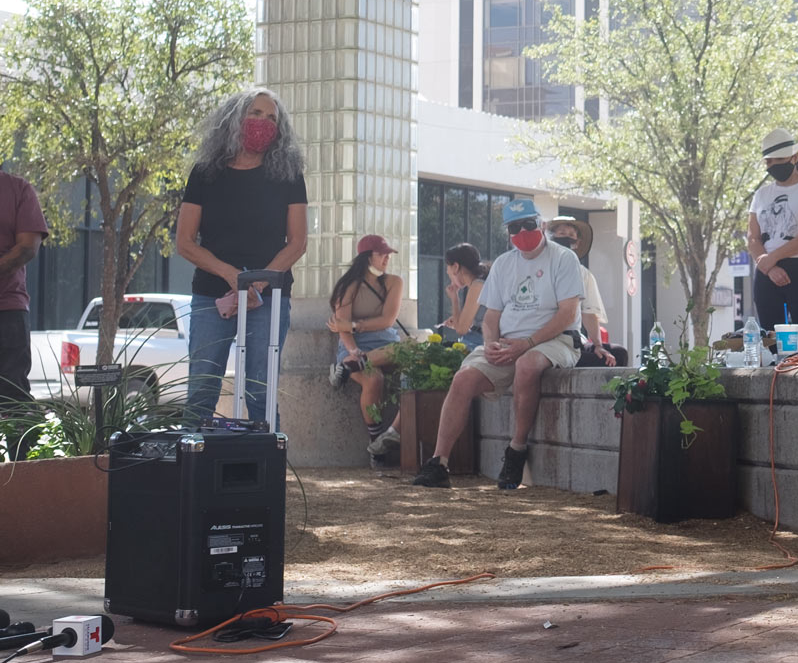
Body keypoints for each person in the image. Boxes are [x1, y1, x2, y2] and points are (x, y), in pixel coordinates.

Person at [412, 200, 582, 491]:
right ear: (508, 233)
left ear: (541, 225)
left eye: (529, 224)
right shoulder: (504, 264)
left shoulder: (564, 258)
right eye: (515, 227)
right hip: (506, 342)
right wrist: (491, 343)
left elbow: (567, 313)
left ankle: (515, 451)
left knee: (527, 365)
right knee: (463, 378)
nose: (523, 231)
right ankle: (438, 463)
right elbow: (491, 317)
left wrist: (527, 343)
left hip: (556, 340)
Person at [174, 88, 309, 423]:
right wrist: (231, 275)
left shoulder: (288, 175)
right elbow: (185, 242)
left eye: (271, 118)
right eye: (255, 113)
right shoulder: (205, 173)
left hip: (269, 296)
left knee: (260, 390)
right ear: (234, 118)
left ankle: (268, 470)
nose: (263, 122)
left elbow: (298, 242)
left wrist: (257, 281)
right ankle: (193, 469)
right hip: (211, 295)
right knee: (202, 387)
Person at [746, 128, 798, 352]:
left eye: (780, 159)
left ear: (795, 157)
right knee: (770, 343)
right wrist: (768, 266)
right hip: (766, 272)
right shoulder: (761, 195)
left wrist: (771, 258)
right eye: (769, 161)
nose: (774, 165)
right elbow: (752, 237)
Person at [325, 235, 406, 459]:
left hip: (387, 346)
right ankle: (377, 445)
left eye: (388, 254)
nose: (387, 258)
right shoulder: (348, 286)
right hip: (355, 349)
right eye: (382, 254)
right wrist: (352, 350)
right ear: (367, 257)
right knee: (374, 379)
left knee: (406, 354)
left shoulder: (394, 282)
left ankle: (350, 366)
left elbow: (387, 321)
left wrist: (353, 325)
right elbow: (341, 329)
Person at [0, 168, 49, 421]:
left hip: (7, 310)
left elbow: (28, 247)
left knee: (13, 397)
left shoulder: (18, 189)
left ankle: (27, 461)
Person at [546, 218, 628, 367]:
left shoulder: (583, 273)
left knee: (618, 354)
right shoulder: (542, 268)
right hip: (548, 340)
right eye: (562, 233)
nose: (567, 237)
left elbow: (589, 312)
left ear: (577, 243)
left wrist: (598, 345)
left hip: (572, 341)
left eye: (571, 235)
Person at [436, 243, 489, 346]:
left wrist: (454, 298)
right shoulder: (478, 284)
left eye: (448, 269)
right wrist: (457, 320)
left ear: (455, 267)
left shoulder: (477, 286)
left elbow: (461, 329)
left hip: (480, 343)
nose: (448, 273)